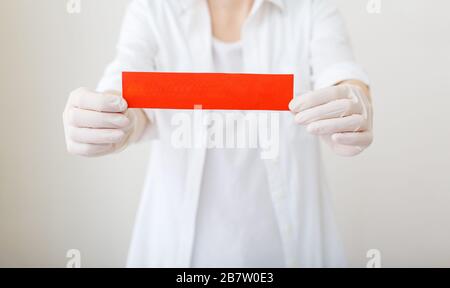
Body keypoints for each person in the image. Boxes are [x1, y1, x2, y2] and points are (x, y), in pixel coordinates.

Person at [62, 0, 373, 268]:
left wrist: (353, 102)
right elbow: (128, 91)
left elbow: (340, 72)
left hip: (288, 249)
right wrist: (107, 119)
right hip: (178, 253)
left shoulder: (309, 7)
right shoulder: (155, 8)